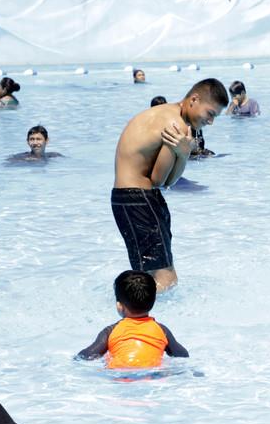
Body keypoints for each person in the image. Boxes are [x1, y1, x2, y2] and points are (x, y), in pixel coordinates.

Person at [112, 78, 228, 291]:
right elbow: (162, 181)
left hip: (126, 199)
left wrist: (182, 153)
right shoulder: (176, 126)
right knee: (166, 279)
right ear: (194, 99)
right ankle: (143, 320)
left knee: (145, 276)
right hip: (139, 199)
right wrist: (183, 153)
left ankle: (134, 316)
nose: (211, 122)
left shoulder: (166, 113)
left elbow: (164, 180)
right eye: (210, 114)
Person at [76, 270, 189, 369]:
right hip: (152, 374)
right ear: (153, 302)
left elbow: (88, 355)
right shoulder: (162, 330)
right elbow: (182, 355)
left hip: (119, 375)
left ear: (119, 306)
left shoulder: (110, 331)